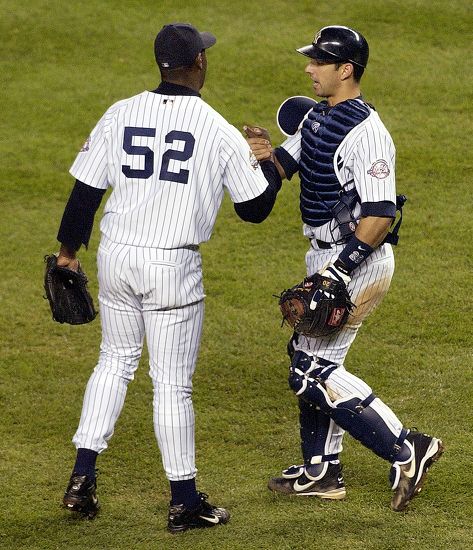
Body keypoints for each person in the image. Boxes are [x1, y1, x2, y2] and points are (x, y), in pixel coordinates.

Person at [56, 22, 282, 532]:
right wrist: (267, 164)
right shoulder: (216, 128)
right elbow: (255, 210)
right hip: (171, 267)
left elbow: (85, 194)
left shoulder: (121, 111)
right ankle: (184, 501)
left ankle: (81, 479)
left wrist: (68, 254)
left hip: (116, 255)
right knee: (172, 385)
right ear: (198, 63)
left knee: (113, 363)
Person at [245, 25, 443, 511]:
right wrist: (261, 158)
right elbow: (283, 170)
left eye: (318, 62)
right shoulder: (316, 118)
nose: (309, 68)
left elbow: (380, 213)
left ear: (345, 70)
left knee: (312, 369)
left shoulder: (369, 135)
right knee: (306, 357)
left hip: (360, 259)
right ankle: (321, 471)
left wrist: (339, 271)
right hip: (324, 256)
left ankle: (406, 446)